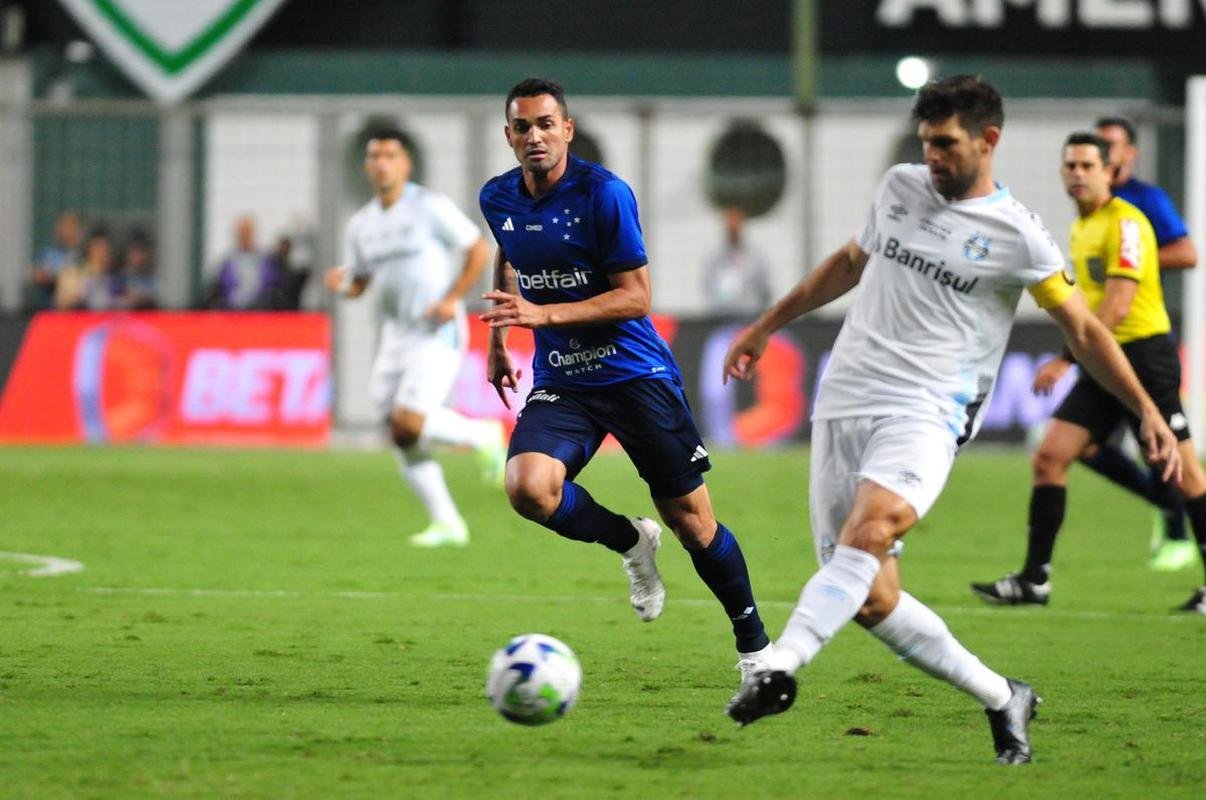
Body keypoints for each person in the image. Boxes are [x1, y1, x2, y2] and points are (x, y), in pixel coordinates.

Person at [721, 77, 1180, 764]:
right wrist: (767, 324)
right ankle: (1003, 695)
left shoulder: (1018, 234)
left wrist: (1146, 411)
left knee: (871, 531)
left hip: (928, 410)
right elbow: (849, 263)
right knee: (870, 596)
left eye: (945, 144)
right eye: (926, 143)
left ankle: (780, 663)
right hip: (846, 397)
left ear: (988, 140)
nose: (931, 156)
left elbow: (1085, 330)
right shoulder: (899, 187)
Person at [479, 78, 774, 693]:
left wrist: (543, 315)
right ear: (508, 136)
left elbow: (637, 297)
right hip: (565, 379)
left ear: (567, 129)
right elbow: (508, 252)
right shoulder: (497, 196)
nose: (535, 136)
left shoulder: (603, 195)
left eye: (545, 124)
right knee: (528, 489)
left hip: (634, 375)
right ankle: (632, 542)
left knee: (693, 525)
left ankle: (756, 649)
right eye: (522, 127)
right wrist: (499, 339)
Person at [972, 132, 1206, 615]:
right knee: (1050, 457)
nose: (1077, 174)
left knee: (1186, 476)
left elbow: (1117, 306)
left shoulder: (1126, 224)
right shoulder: (1084, 226)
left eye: (1087, 166)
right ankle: (1034, 580)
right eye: (1071, 166)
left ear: (1109, 173)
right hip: (1104, 359)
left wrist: (1067, 358)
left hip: (1144, 358)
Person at [326, 128, 504, 548]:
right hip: (394, 335)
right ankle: (447, 523)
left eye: (390, 155)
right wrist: (343, 284)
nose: (382, 163)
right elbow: (360, 282)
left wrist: (452, 298)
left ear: (405, 163)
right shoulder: (362, 225)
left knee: (409, 419)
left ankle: (482, 436)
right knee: (399, 432)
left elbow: (478, 248)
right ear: (367, 166)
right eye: (375, 156)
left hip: (436, 329)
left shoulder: (428, 207)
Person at [1069, 117, 1201, 572]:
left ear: (1128, 154)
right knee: (1068, 448)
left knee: (1170, 456)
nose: (1100, 155)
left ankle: (1178, 526)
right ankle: (1168, 509)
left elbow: (1186, 253)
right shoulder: (1087, 216)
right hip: (1105, 347)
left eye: (1110, 146)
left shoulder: (1142, 204)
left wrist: (1131, 262)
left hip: (1140, 344)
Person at [703, 207, 772, 315]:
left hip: (750, 317)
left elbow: (764, 290)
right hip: (722, 318)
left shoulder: (755, 257)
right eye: (730, 222)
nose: (733, 227)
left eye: (736, 222)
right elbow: (708, 286)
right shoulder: (713, 258)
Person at [208, 216, 286, 310]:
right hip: (232, 311)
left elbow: (274, 286)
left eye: (247, 232)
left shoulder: (267, 261)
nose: (244, 236)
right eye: (241, 233)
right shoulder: (227, 262)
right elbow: (218, 290)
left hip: (261, 311)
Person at [56, 228, 125, 311]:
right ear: (88, 250)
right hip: (78, 317)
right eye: (99, 247)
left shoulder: (115, 276)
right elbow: (62, 304)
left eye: (106, 248)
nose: (104, 252)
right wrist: (82, 291)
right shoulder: (72, 273)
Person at [29, 211, 82, 310]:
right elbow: (37, 276)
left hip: (79, 311)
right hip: (51, 309)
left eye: (72, 227)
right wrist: (59, 277)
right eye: (65, 227)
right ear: (58, 230)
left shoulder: (82, 254)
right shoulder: (48, 253)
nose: (68, 232)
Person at [122, 230, 158, 310]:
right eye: (135, 252)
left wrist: (143, 298)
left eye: (142, 252)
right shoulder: (121, 277)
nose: (139, 257)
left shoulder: (154, 278)